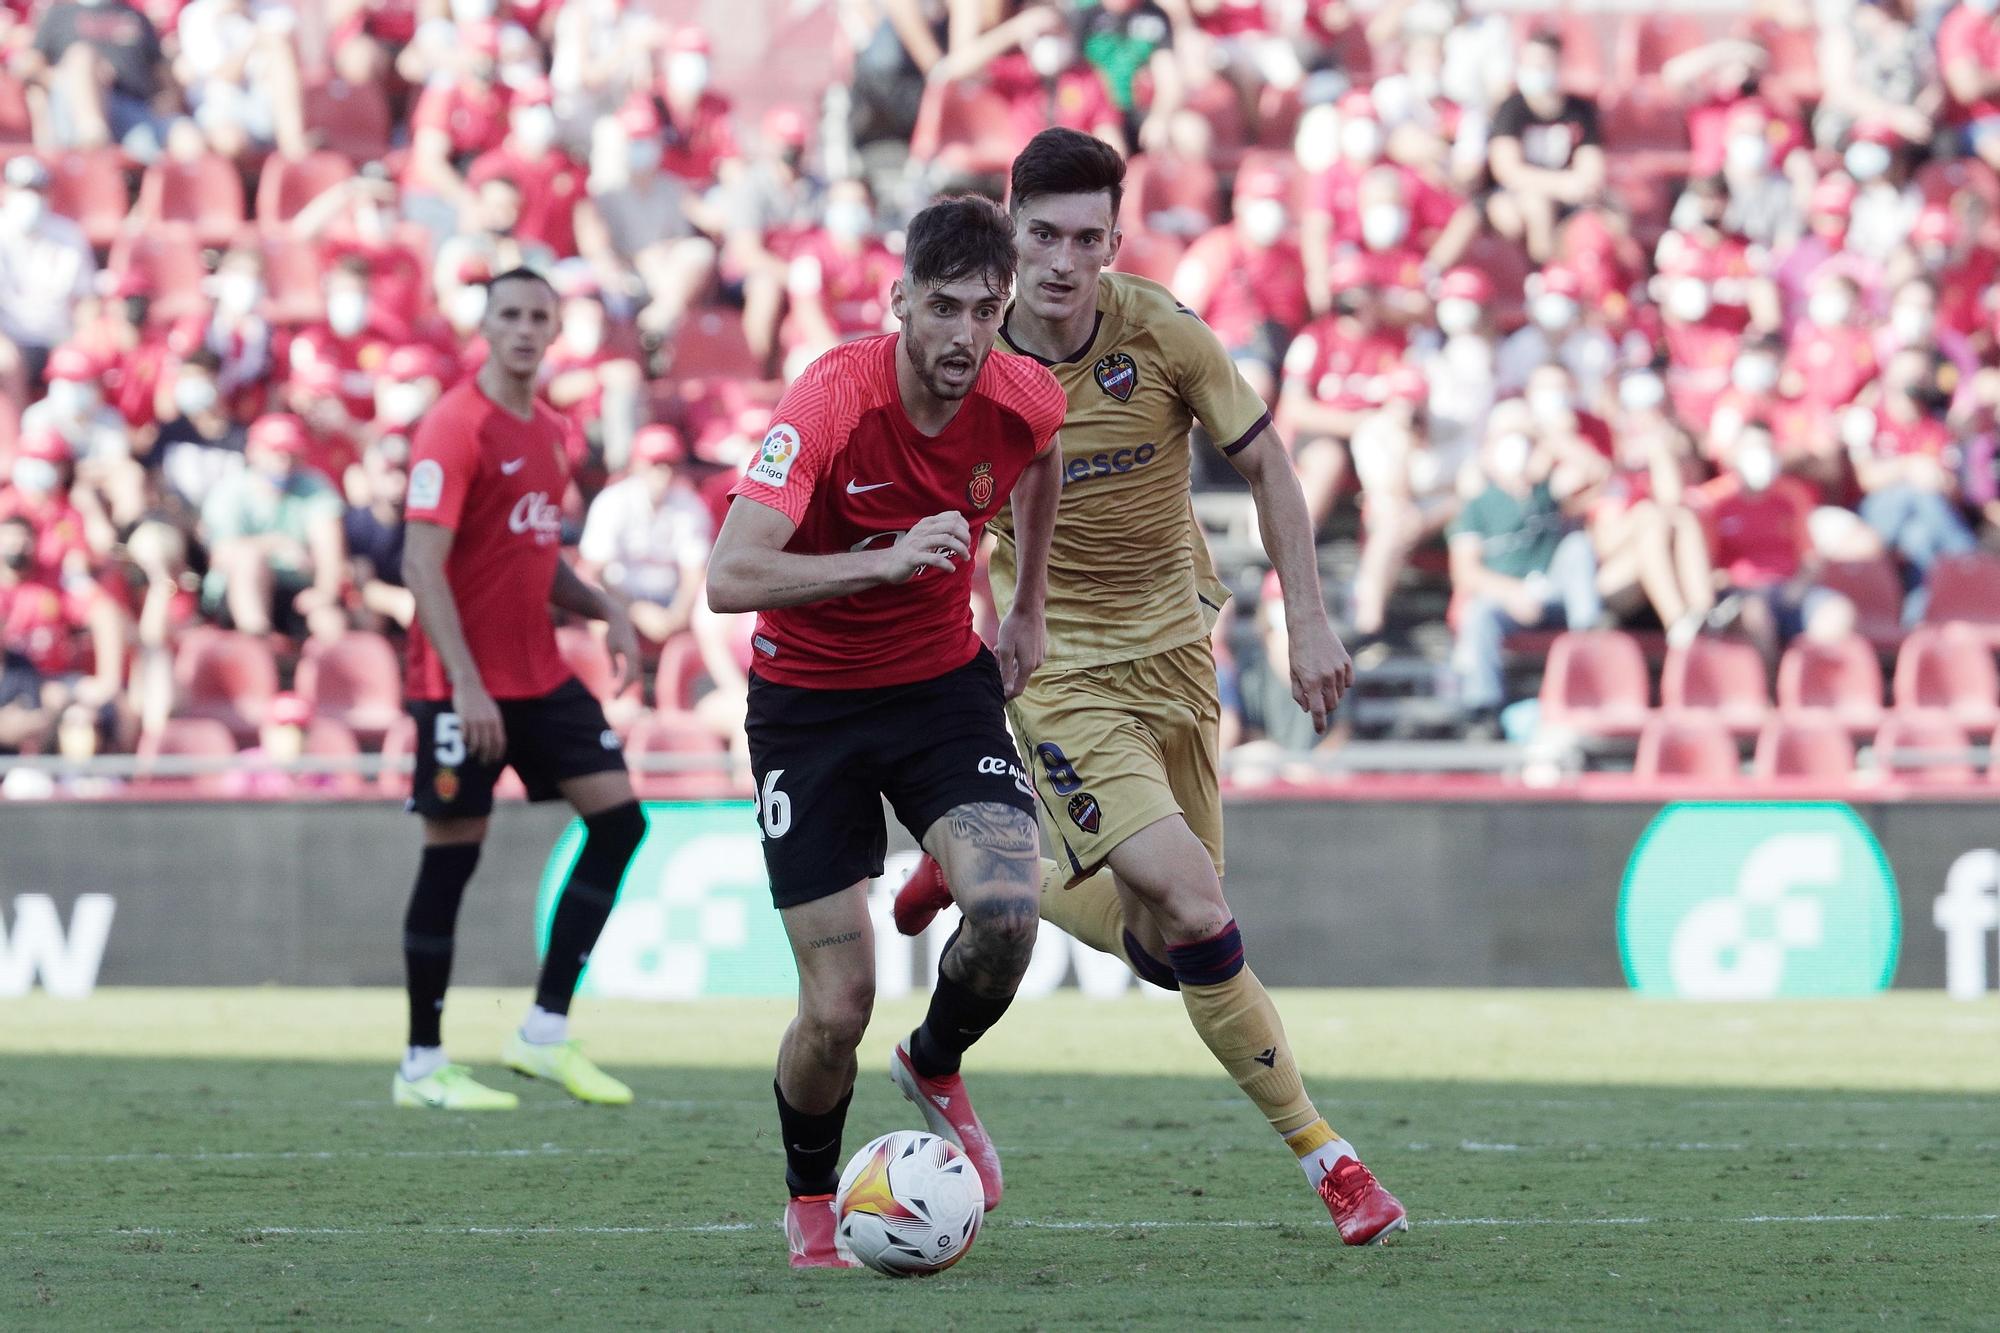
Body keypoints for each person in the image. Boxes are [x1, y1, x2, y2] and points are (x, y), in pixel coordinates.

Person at [892, 129, 1408, 1248]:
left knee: (1168, 949)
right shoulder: (968, 359)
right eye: (1041, 236)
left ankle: (990, 867)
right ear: (1007, 231)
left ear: (1114, 240)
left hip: (1178, 653)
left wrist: (1306, 614)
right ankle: (1330, 1159)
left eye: (1087, 238)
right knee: (1198, 905)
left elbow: (1267, 460)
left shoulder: (1160, 330)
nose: (1063, 262)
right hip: (1059, 670)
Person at [703, 195, 1067, 1268]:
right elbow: (730, 574)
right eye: (944, 307)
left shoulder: (1021, 394)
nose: (964, 334)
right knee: (835, 1007)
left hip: (935, 687)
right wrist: (885, 558)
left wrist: (1025, 602)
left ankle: (936, 1059)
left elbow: (1039, 457)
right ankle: (812, 1196)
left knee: (1007, 911)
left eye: (985, 312)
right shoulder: (830, 400)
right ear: (899, 299)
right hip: (805, 706)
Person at [394, 268, 649, 1113]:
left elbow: (534, 561)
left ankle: (542, 1030)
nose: (526, 328)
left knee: (619, 821)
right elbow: (420, 563)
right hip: (458, 684)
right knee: (453, 855)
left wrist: (606, 606)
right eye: (510, 314)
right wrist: (464, 684)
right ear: (486, 325)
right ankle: (422, 1062)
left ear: (555, 330)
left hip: (537, 673)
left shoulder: (553, 431)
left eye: (540, 316)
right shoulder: (454, 424)